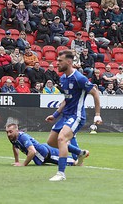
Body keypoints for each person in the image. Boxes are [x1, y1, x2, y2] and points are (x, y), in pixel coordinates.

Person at [45, 50, 102, 181]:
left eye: (60, 61)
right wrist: (55, 114)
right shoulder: (63, 78)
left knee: (61, 139)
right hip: (65, 115)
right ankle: (79, 152)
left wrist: (97, 114)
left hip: (76, 116)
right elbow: (66, 99)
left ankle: (61, 173)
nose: (57, 63)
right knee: (51, 142)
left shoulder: (79, 78)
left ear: (69, 62)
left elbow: (95, 93)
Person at [6, 123, 77, 166]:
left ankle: (79, 152)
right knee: (62, 150)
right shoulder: (13, 138)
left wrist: (23, 164)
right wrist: (17, 161)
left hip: (47, 154)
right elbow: (15, 147)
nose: (8, 134)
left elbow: (32, 151)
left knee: (73, 162)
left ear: (17, 130)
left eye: (10, 132)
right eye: (7, 132)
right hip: (43, 150)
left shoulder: (23, 137)